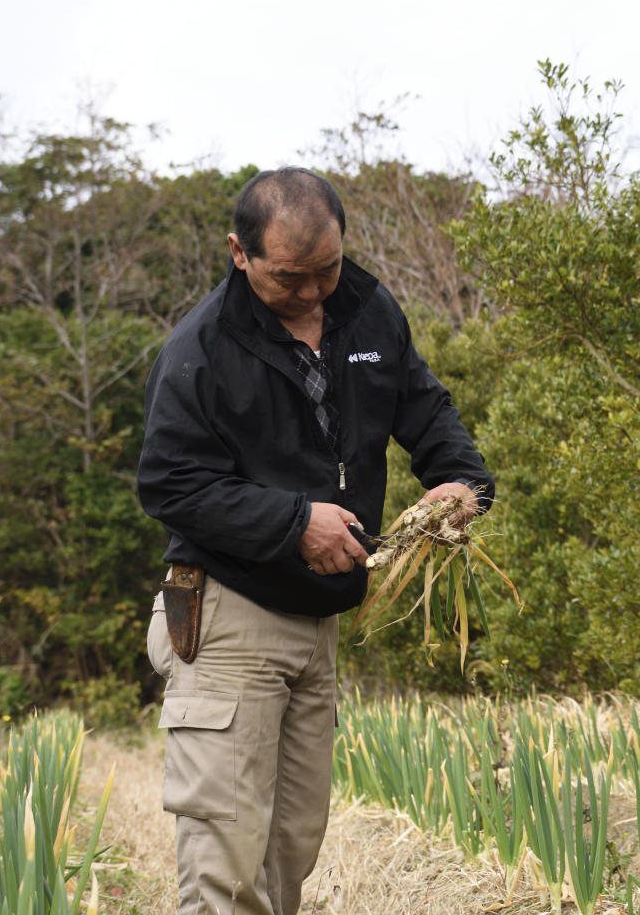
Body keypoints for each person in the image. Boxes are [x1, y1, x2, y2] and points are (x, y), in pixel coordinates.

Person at [138, 167, 493, 915]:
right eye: (290, 278)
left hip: (319, 620)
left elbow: (425, 411)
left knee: (289, 853)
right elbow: (169, 483)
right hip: (230, 612)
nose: (312, 294)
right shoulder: (200, 348)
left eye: (326, 271)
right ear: (241, 253)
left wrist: (461, 482)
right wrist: (296, 521)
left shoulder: (369, 312)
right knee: (224, 866)